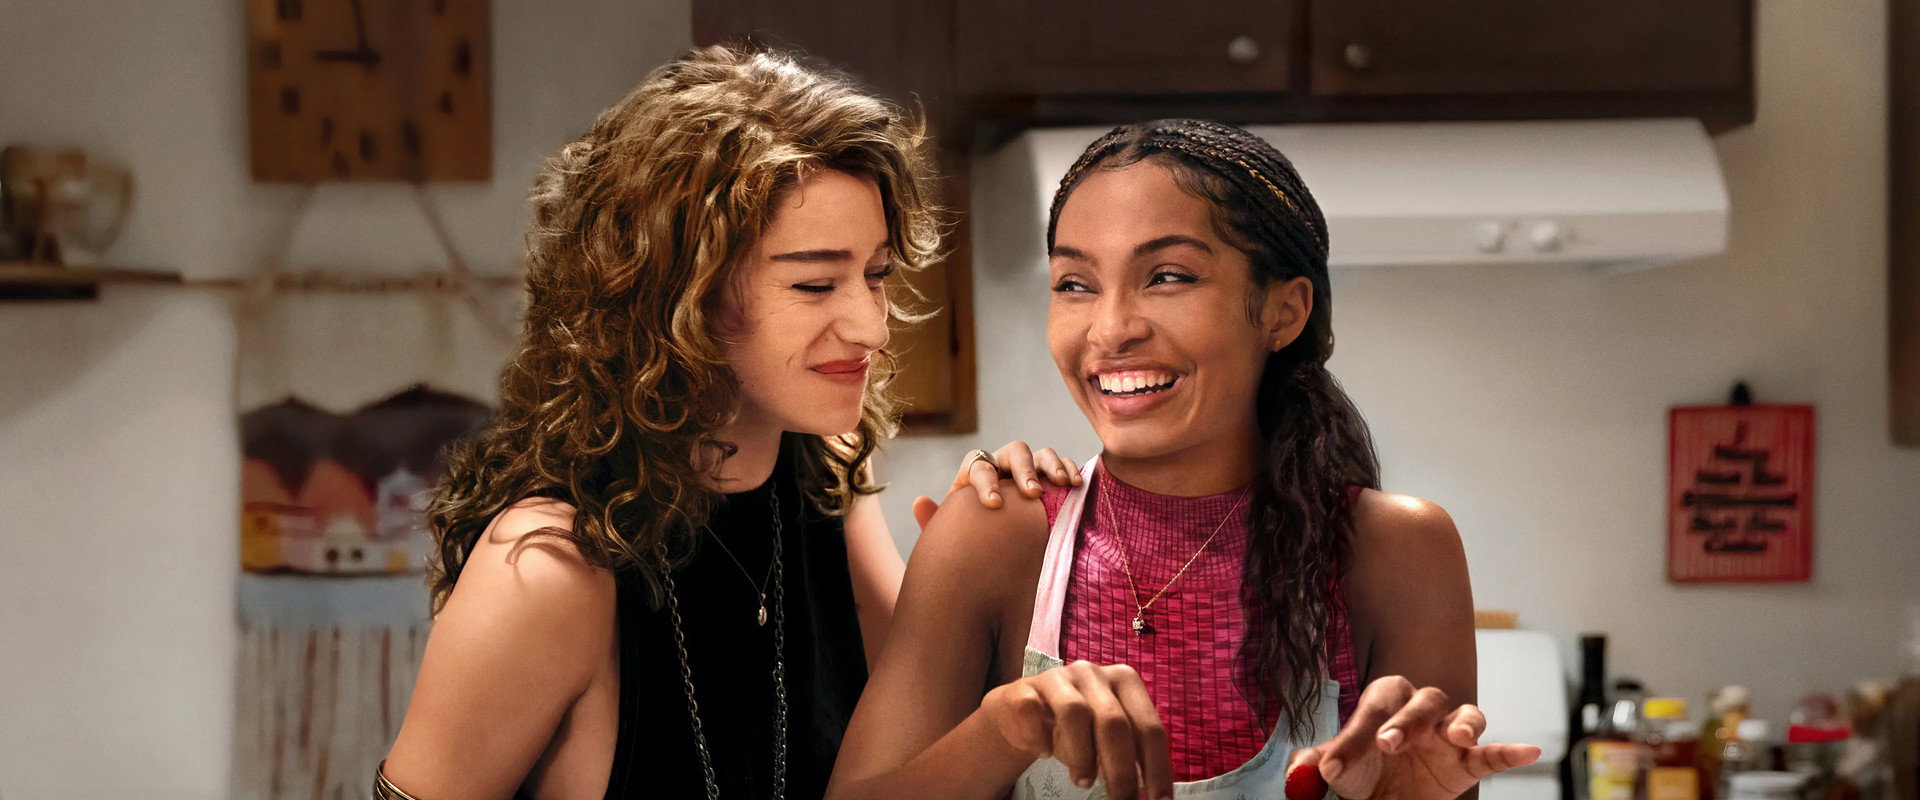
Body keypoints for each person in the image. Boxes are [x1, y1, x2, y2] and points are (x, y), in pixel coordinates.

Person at [375, 44, 1072, 800]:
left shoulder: (826, 476)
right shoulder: (547, 572)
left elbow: (912, 771)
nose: (872, 327)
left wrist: (982, 564)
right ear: (677, 297)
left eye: (875, 275)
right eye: (814, 284)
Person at [826, 120, 1543, 800]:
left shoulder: (1397, 553)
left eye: (1168, 276)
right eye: (1075, 284)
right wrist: (1002, 730)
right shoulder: (997, 534)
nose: (1111, 330)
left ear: (1282, 312)